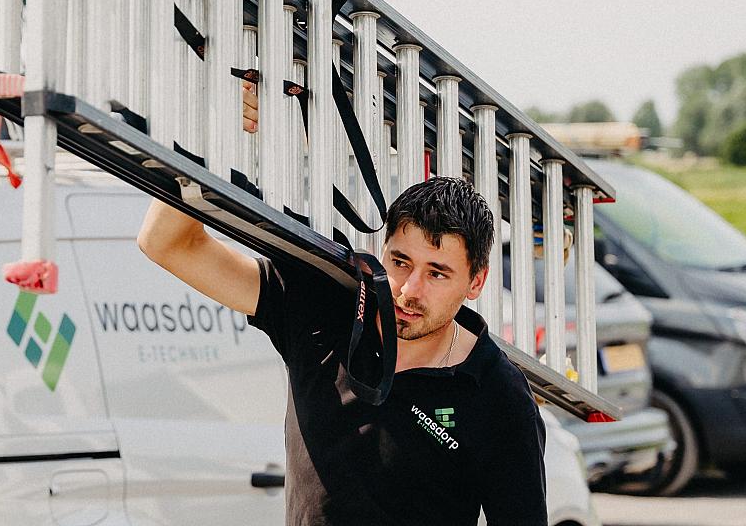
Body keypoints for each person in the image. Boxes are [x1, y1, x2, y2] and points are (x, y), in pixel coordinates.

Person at [136, 89, 546, 525]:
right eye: (400, 262)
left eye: (437, 273)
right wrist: (213, 128)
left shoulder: (497, 395)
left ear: (476, 282)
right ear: (382, 250)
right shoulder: (322, 305)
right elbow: (168, 244)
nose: (409, 288)